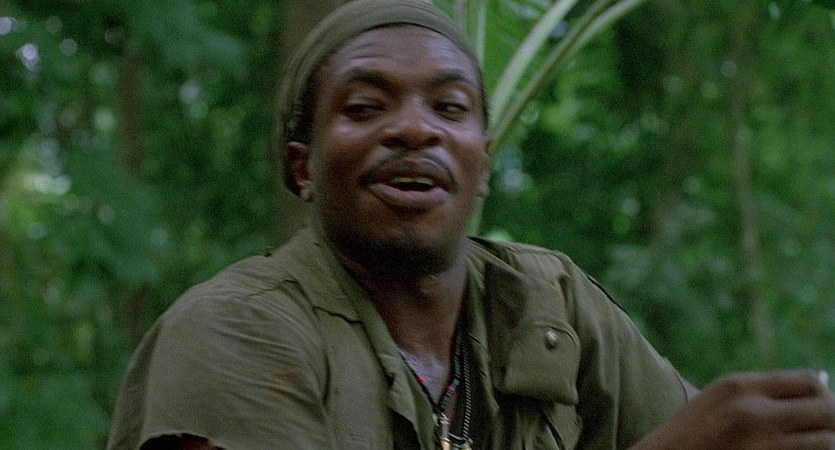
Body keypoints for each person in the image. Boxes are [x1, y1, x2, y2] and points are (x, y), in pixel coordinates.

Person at [106, 1, 835, 449]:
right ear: (303, 167)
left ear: (481, 165)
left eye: (449, 108)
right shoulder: (234, 331)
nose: (413, 129)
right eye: (365, 107)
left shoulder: (551, 302)